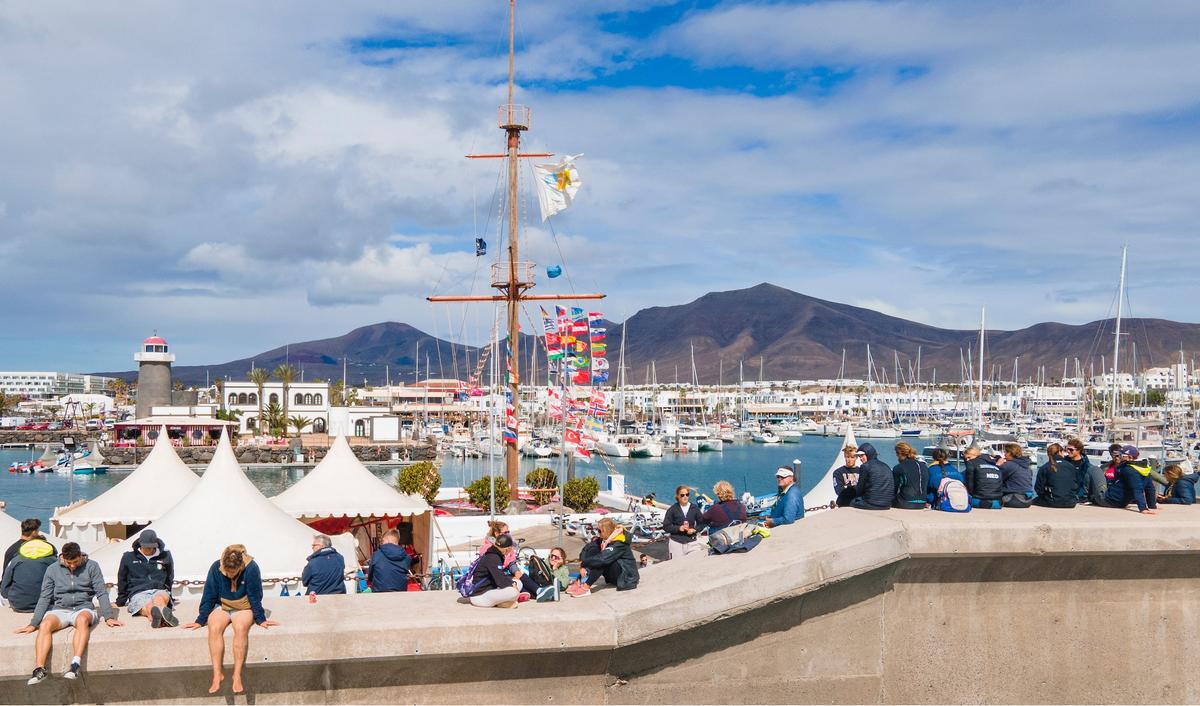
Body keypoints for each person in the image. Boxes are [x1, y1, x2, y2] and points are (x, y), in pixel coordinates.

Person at [13, 542, 122, 685]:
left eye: (75, 562)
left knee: (82, 621)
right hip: (60, 609)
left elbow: (101, 592)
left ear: (81, 556)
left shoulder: (92, 566)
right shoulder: (52, 569)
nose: (72, 565)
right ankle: (39, 668)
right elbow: (45, 597)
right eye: (68, 562)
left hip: (83, 608)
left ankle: (75, 665)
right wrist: (34, 623)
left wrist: (108, 617)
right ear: (63, 557)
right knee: (45, 625)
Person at [182, 544, 277, 695]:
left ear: (241, 565)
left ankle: (237, 674)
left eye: (234, 572)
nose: (231, 575)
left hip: (244, 606)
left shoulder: (251, 567)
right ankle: (217, 674)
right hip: (223, 605)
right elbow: (209, 594)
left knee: (240, 629)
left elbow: (255, 595)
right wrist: (200, 620)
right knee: (213, 628)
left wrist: (260, 618)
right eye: (228, 572)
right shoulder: (216, 567)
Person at [115, 528, 177, 627]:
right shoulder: (128, 557)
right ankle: (156, 615)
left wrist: (170, 594)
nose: (148, 549)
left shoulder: (166, 555)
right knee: (148, 605)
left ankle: (160, 615)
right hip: (138, 591)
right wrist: (121, 601)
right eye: (145, 547)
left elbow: (170, 576)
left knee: (160, 599)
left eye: (150, 547)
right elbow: (122, 578)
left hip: (159, 589)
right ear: (140, 544)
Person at [571, 518, 639, 596]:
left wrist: (584, 563)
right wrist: (582, 563)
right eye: (597, 530)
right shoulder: (605, 540)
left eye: (599, 531)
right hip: (614, 576)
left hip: (626, 577)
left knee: (602, 561)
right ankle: (579, 581)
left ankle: (586, 587)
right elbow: (587, 548)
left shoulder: (619, 542)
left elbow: (602, 559)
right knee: (592, 549)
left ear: (607, 531)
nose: (598, 533)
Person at [1094, 446, 1157, 514]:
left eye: (1121, 455)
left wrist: (1143, 508)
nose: (1119, 457)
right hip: (1121, 502)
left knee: (1094, 470)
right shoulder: (1144, 468)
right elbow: (1150, 487)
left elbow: (1137, 489)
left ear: (1129, 457)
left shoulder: (1128, 470)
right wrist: (1152, 505)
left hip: (1108, 500)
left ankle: (1086, 497)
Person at [1, 536, 56, 613]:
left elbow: (4, 587)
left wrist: (11, 596)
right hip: (46, 605)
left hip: (18, 604)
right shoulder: (53, 561)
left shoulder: (16, 560)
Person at [467, 533, 521, 608]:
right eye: (511, 548)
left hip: (488, 590)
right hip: (480, 596)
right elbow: (500, 581)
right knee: (514, 592)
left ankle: (503, 602)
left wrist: (512, 583)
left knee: (519, 583)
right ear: (507, 549)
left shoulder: (492, 554)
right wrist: (512, 584)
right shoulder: (493, 558)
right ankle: (503, 602)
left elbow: (499, 576)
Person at [850, 443, 895, 510]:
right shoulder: (886, 466)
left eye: (862, 456)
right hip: (887, 504)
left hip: (871, 503)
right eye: (859, 457)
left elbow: (859, 489)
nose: (861, 459)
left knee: (851, 501)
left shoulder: (865, 466)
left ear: (868, 454)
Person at [663, 485, 703, 559]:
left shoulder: (694, 508)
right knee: (676, 567)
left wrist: (695, 530)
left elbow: (702, 523)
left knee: (696, 564)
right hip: (676, 543)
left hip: (692, 542)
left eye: (687, 494)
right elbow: (666, 526)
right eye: (682, 495)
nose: (685, 497)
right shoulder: (672, 509)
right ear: (678, 496)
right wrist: (678, 528)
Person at [1032, 443, 1079, 508]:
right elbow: (1077, 484)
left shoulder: (1045, 467)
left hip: (1052, 502)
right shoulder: (1071, 466)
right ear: (1060, 452)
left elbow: (1038, 488)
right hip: (1071, 502)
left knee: (1032, 501)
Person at [1064, 438, 1103, 503]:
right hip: (1066, 495)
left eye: (1071, 449)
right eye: (1067, 449)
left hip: (1081, 497)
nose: (1068, 451)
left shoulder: (1087, 466)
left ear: (1078, 450)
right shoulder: (1064, 462)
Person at [892, 442, 929, 510]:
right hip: (922, 503)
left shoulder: (898, 467)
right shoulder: (923, 466)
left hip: (905, 502)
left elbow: (894, 488)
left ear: (899, 454)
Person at [998, 443, 1034, 508]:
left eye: (1005, 452)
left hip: (1013, 499)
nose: (1004, 454)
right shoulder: (1027, 466)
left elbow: (995, 478)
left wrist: (997, 465)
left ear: (1009, 453)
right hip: (1028, 501)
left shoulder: (1009, 465)